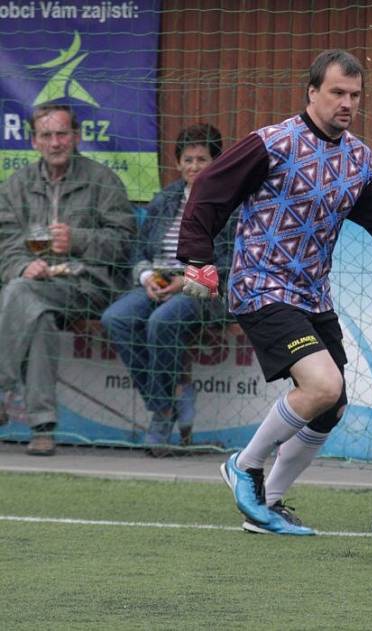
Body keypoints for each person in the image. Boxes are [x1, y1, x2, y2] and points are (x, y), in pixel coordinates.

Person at [177, 49, 372, 536]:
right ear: (312, 92)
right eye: (337, 93)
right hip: (261, 285)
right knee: (321, 385)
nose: (347, 103)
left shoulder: (361, 162)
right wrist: (198, 260)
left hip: (311, 294)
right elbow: (210, 189)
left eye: (355, 95)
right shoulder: (273, 143)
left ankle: (269, 504)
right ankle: (244, 465)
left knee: (334, 402)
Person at [0, 104, 135, 456]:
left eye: (62, 134)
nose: (55, 142)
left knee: (21, 295)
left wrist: (77, 240)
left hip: (89, 285)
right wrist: (22, 266)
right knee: (35, 310)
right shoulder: (17, 185)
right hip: (36, 288)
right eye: (46, 135)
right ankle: (42, 428)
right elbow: (6, 243)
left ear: (76, 138)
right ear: (33, 141)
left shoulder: (102, 179)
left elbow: (124, 242)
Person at [101, 124, 233, 453]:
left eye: (201, 159)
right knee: (116, 318)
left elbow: (229, 262)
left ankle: (160, 416)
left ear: (215, 163)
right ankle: (163, 404)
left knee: (162, 321)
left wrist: (185, 281)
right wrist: (148, 278)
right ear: (177, 164)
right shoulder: (166, 198)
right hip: (160, 280)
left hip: (202, 289)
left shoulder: (229, 202)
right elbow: (140, 251)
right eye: (187, 159)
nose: (193, 166)